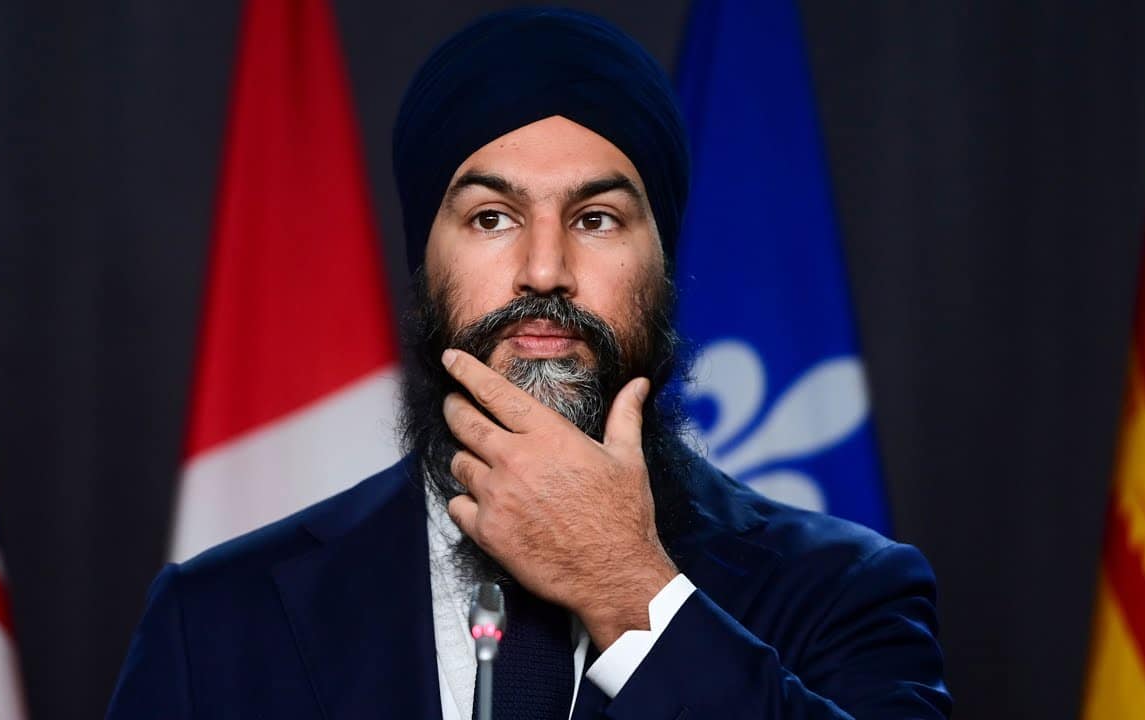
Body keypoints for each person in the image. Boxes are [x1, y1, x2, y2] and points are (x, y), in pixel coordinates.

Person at [106, 8, 950, 719]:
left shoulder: (846, 590)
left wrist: (628, 589)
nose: (545, 271)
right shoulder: (215, 618)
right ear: (424, 265)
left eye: (596, 219)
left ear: (662, 265)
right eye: (491, 218)